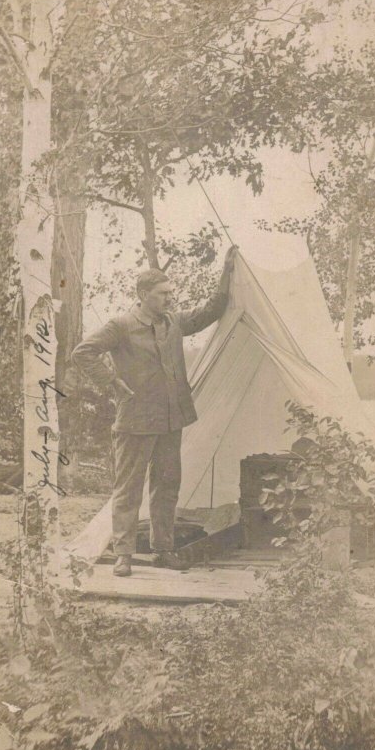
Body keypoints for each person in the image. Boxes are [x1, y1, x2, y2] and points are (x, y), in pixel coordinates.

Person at [71, 245, 238, 576]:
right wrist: (113, 382)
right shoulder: (120, 325)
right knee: (128, 489)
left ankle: (163, 549)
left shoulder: (173, 322)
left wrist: (227, 271)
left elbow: (211, 311)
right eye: (163, 294)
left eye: (170, 294)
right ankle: (124, 555)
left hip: (171, 419)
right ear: (144, 294)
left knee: (167, 485)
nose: (169, 299)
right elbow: (83, 352)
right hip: (134, 421)